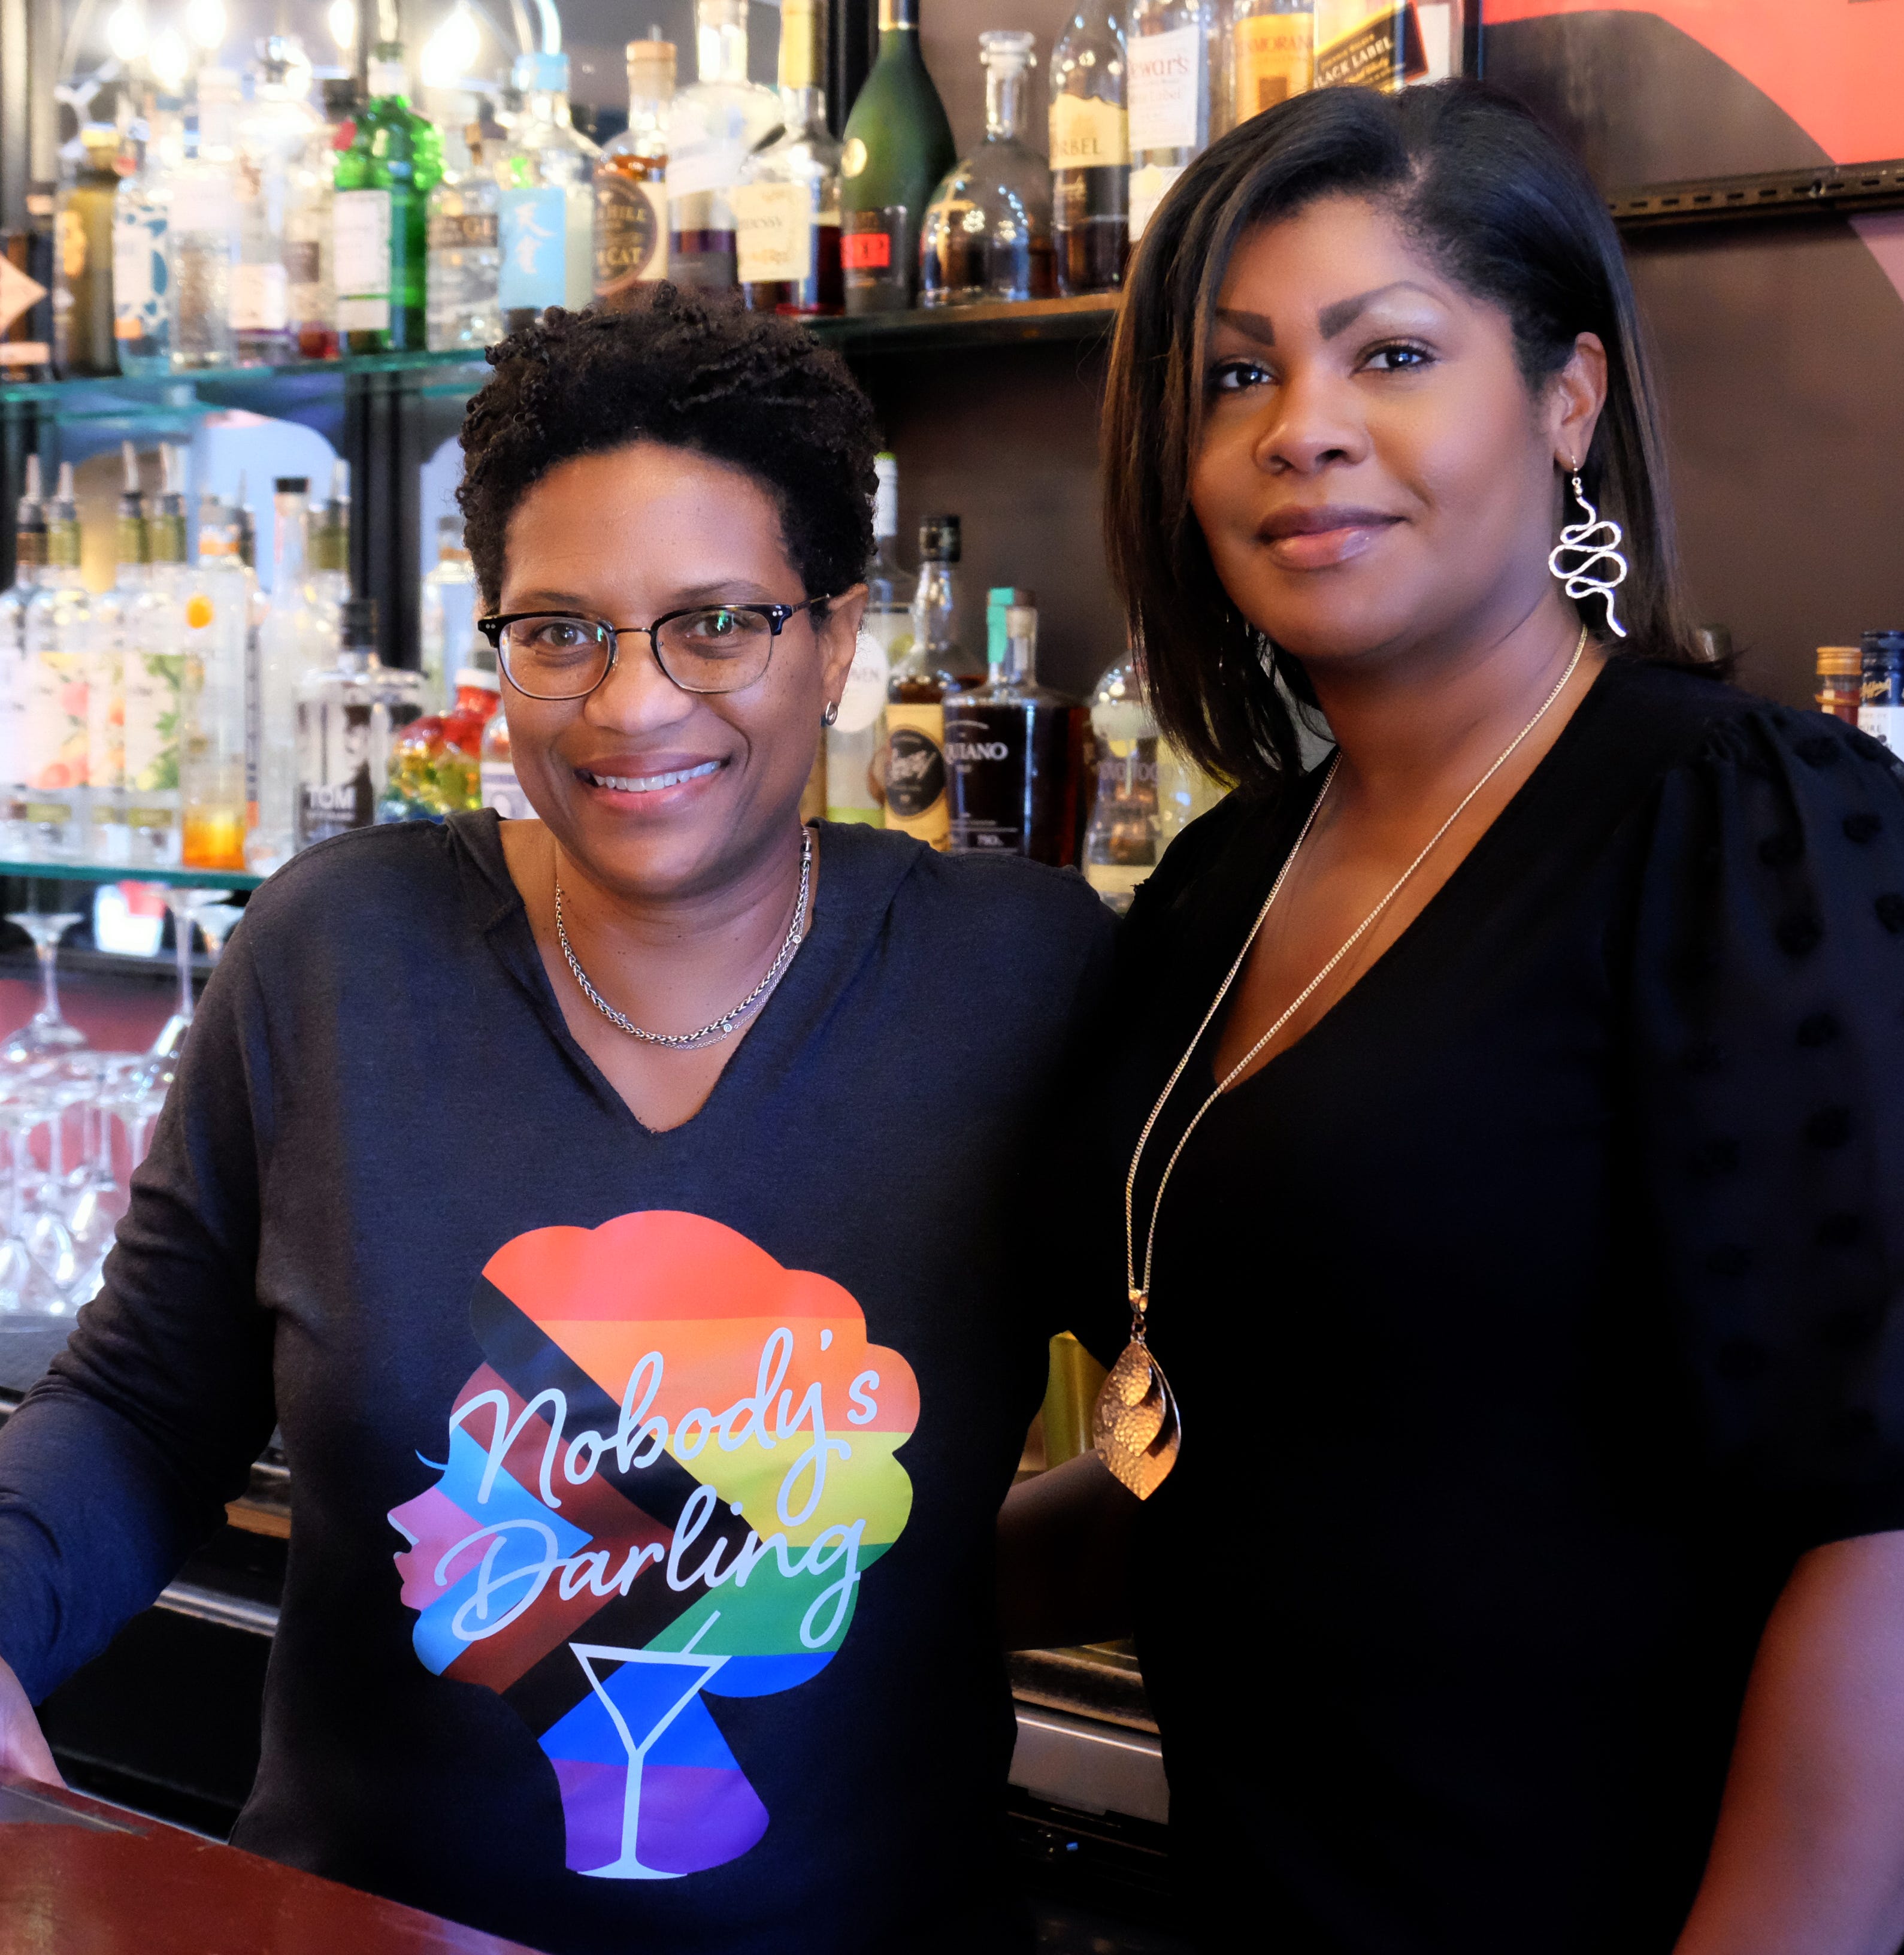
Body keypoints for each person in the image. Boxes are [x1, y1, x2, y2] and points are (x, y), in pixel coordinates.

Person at [0, 293, 1113, 1954]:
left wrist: (919, 1567)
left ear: (841, 635)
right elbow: (148, 1405)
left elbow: (1218, 1437)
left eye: (718, 624)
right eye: (560, 630)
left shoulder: (1018, 982)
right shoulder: (334, 956)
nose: (632, 704)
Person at [1003, 81, 1904, 1954]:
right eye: (1237, 377)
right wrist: (789, 1565)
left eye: (1396, 353)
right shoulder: (1218, 887)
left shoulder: (1750, 826)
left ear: (1569, 400)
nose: (1308, 434)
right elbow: (1221, 1453)